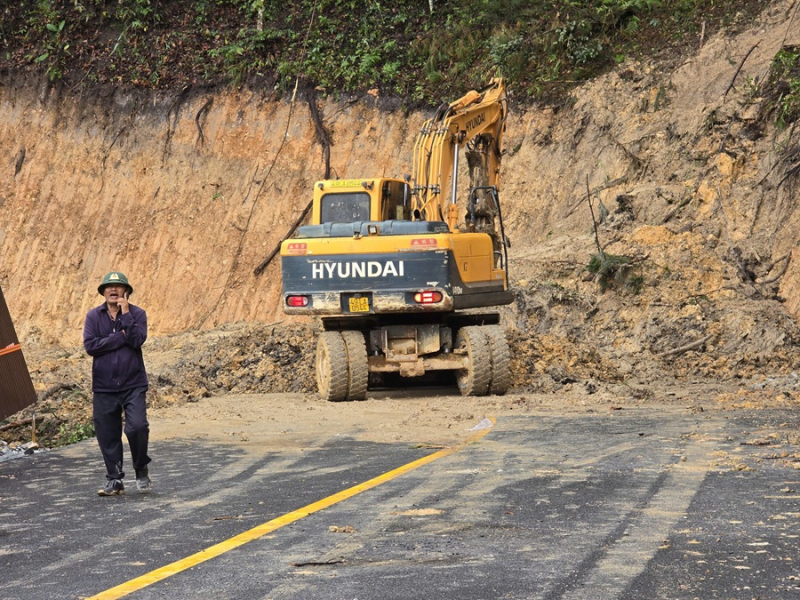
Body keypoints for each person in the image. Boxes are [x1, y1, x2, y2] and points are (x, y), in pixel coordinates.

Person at [83, 271, 151, 496]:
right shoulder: (94, 316)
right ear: (103, 292)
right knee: (107, 434)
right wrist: (119, 338)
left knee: (137, 426)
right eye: (108, 287)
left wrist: (126, 315)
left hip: (133, 383)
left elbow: (137, 340)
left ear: (126, 292)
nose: (113, 290)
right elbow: (91, 346)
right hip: (104, 385)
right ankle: (114, 480)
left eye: (118, 286)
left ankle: (140, 466)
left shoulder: (137, 314)